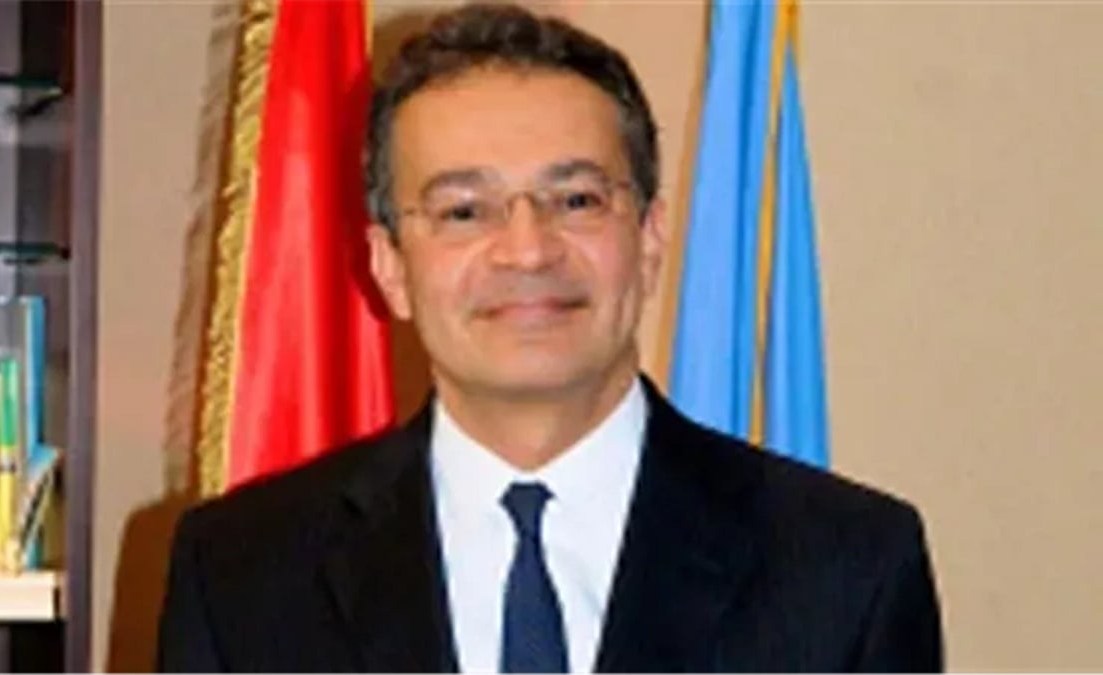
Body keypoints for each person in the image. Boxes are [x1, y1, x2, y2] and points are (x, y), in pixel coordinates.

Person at [157, 4, 943, 672]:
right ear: (390, 265)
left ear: (649, 237)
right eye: (465, 210)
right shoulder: (241, 574)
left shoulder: (846, 567)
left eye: (575, 200)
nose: (528, 250)